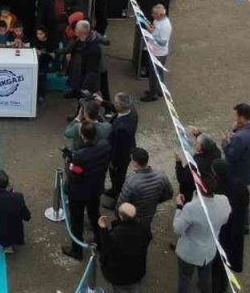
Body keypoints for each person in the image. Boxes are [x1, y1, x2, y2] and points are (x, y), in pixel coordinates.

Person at [172, 173, 231, 293]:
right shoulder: (224, 200)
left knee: (185, 278)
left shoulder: (191, 207)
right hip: (209, 250)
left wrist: (179, 207)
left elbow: (177, 229)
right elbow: (225, 220)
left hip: (189, 252)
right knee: (205, 278)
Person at [62, 121, 110, 260]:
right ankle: (100, 242)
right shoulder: (105, 146)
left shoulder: (78, 156)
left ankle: (76, 250)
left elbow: (74, 174)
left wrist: (67, 162)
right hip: (95, 189)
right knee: (95, 215)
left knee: (77, 221)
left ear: (82, 135)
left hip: (78, 193)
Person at [220, 103, 250, 231]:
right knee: (243, 197)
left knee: (237, 199)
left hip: (238, 173)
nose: (235, 119)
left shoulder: (240, 137)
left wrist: (225, 142)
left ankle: (241, 224)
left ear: (242, 117)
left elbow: (232, 156)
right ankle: (245, 224)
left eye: (236, 116)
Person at [96, 203, 152, 293]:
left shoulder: (116, 234)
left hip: (119, 276)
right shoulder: (144, 227)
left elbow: (107, 250)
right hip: (137, 271)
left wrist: (103, 229)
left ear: (120, 215)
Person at [210, 160, 248, 291]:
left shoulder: (219, 190)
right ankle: (223, 284)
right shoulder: (239, 183)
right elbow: (246, 201)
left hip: (224, 232)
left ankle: (218, 288)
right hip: (237, 229)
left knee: (219, 262)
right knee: (228, 260)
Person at [118, 147, 173, 227]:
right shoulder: (162, 176)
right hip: (149, 215)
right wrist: (154, 201)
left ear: (135, 162)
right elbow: (169, 194)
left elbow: (121, 204)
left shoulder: (131, 182)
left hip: (133, 217)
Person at [0, 169, 30, 254]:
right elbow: (27, 217)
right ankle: (9, 244)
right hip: (16, 236)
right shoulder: (18, 197)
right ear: (8, 184)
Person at [106, 94, 139, 198]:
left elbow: (118, 147)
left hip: (120, 157)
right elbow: (116, 109)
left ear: (119, 106)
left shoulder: (122, 128)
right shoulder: (131, 111)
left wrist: (112, 161)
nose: (114, 104)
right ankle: (114, 190)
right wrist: (102, 102)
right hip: (127, 149)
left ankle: (118, 197)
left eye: (115, 103)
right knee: (115, 177)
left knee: (117, 177)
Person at [140, 4, 172, 102]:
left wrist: (151, 33)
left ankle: (153, 94)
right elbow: (155, 29)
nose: (152, 15)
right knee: (159, 72)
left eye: (154, 14)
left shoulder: (165, 26)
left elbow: (162, 42)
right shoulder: (157, 20)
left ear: (160, 15)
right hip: (155, 51)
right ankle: (159, 90)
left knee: (154, 74)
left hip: (159, 54)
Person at [66, 20, 102, 98]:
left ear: (81, 31)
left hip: (85, 78)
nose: (74, 30)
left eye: (75, 28)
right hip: (78, 69)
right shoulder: (80, 38)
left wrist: (84, 87)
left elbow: (92, 70)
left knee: (83, 100)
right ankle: (75, 91)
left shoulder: (93, 48)